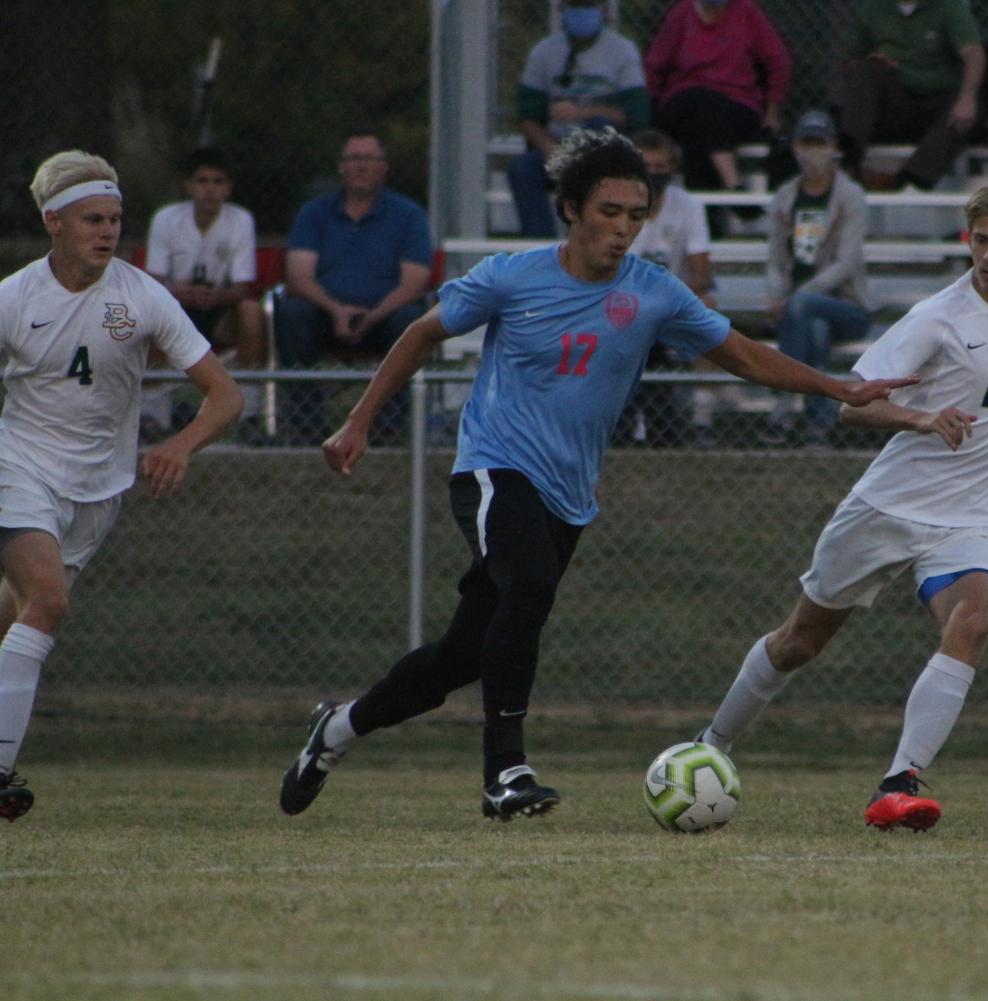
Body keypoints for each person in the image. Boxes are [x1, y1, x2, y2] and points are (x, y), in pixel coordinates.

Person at [277, 129, 913, 822]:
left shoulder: (653, 292)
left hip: (567, 494)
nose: (624, 229)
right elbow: (422, 332)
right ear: (572, 209)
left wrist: (837, 389)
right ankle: (505, 773)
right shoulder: (509, 276)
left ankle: (336, 729)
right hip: (493, 466)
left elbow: (743, 356)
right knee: (530, 586)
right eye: (610, 212)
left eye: (636, 216)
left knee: (459, 658)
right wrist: (360, 419)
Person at [695, 182, 988, 832]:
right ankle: (710, 746)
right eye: (979, 240)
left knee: (972, 623)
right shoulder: (937, 316)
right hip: (885, 506)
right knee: (799, 642)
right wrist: (923, 418)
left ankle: (899, 783)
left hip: (969, 519)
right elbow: (853, 403)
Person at [0, 151, 241, 822]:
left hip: (97, 489)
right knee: (47, 601)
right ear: (53, 222)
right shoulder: (14, 298)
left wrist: (179, 443)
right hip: (16, 467)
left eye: (114, 219)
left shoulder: (139, 297)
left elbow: (225, 396)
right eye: (91, 219)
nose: (107, 231)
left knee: (15, 618)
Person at [276, 129, 432, 444]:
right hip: (325, 313)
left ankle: (386, 430)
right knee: (292, 314)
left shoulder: (409, 216)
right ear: (341, 167)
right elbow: (298, 275)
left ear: (384, 168)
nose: (361, 166)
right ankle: (307, 427)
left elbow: (415, 283)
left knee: (410, 320)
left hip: (385, 315)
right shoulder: (314, 213)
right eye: (354, 159)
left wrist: (370, 316)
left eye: (369, 159)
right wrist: (336, 311)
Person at [764, 110, 873, 445]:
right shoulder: (785, 196)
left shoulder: (851, 196)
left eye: (820, 142)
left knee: (806, 308)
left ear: (834, 146)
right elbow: (774, 259)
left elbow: (846, 263)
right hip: (797, 311)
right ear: (795, 146)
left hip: (848, 307)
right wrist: (777, 294)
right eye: (807, 142)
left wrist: (797, 297)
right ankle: (819, 428)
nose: (813, 150)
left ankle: (782, 408)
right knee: (814, 327)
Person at [145, 146, 266, 434]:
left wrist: (216, 296)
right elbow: (154, 280)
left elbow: (242, 286)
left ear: (228, 188)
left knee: (251, 312)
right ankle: (152, 416)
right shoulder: (166, 219)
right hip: (177, 309)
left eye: (218, 181)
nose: (209, 190)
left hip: (222, 312)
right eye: (202, 181)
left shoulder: (241, 221)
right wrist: (180, 292)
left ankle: (249, 415)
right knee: (148, 311)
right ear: (187, 186)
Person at [509, 0, 650, 238]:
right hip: (557, 145)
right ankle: (540, 249)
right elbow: (528, 116)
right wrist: (548, 146)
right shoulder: (544, 52)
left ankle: (594, 235)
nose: (582, 11)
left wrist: (580, 113)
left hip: (605, 150)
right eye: (575, 4)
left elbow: (635, 114)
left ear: (604, 8)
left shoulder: (622, 51)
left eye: (588, 4)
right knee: (522, 169)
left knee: (598, 130)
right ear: (562, 9)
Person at [622, 129, 719, 446]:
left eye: (662, 166)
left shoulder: (688, 205)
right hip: (625, 303)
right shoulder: (618, 207)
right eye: (647, 165)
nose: (655, 173)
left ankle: (702, 420)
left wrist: (669, 298)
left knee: (709, 310)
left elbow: (702, 272)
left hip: (675, 299)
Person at [834, 0, 986, 192]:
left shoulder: (948, 6)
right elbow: (849, 62)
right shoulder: (874, 7)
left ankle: (910, 180)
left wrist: (967, 98)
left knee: (971, 106)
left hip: (938, 100)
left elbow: (974, 54)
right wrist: (869, 60)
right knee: (865, 71)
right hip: (897, 104)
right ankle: (851, 161)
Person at [644, 0, 791, 194]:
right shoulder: (681, 14)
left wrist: (772, 113)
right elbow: (654, 66)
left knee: (698, 122)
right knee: (698, 98)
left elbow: (778, 61)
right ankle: (732, 183)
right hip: (683, 100)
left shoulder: (747, 12)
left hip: (734, 104)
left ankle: (705, 208)